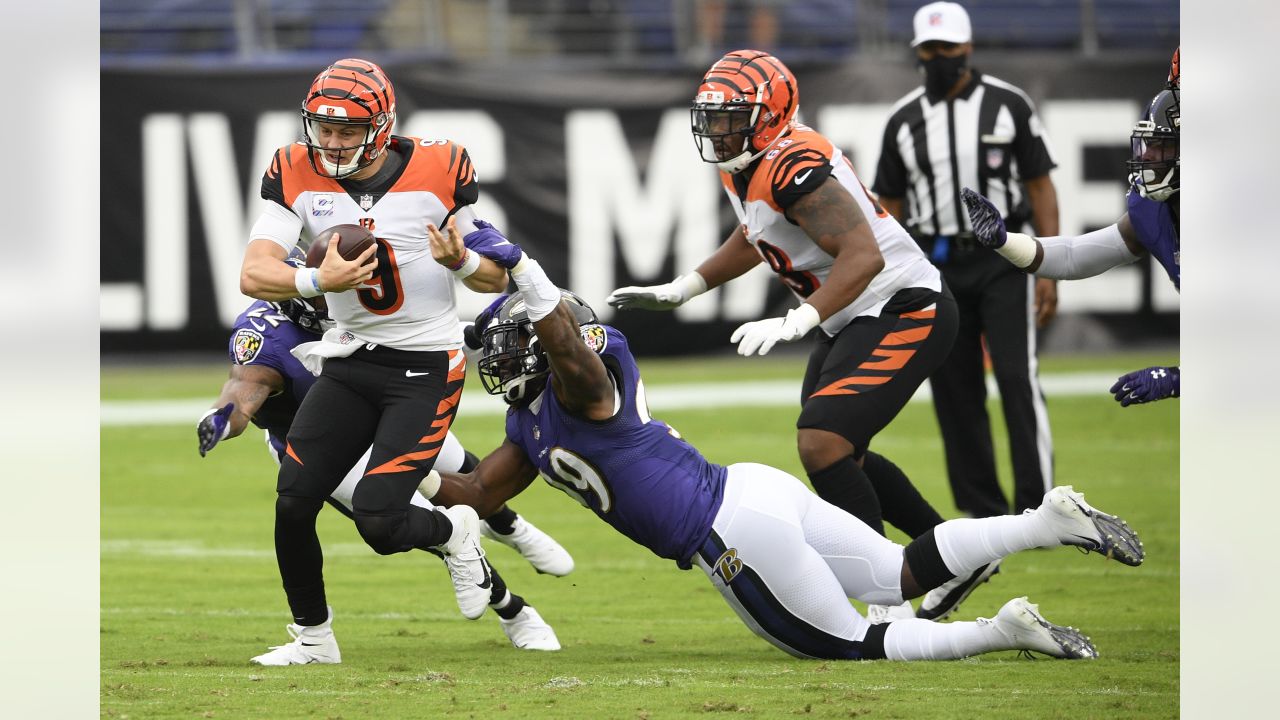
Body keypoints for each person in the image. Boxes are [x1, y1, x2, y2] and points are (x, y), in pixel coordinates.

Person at [424, 243, 1145, 661]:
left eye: (509, 344)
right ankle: (1045, 523)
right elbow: (476, 497)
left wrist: (526, 277)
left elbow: (563, 346)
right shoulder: (529, 425)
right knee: (895, 575)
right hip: (752, 490)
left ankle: (1002, 630)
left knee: (852, 647)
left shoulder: (588, 374)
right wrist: (392, 452)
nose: (499, 361)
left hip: (727, 534)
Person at [607, 49, 970, 623]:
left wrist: (798, 318)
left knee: (821, 442)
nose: (717, 131)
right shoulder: (750, 162)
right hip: (853, 314)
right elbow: (759, 231)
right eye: (713, 117)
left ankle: (886, 597)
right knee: (837, 450)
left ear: (770, 114)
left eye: (731, 117)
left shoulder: (795, 162)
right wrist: (688, 285)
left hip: (904, 306)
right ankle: (950, 552)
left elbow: (863, 255)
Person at [236, 58, 516, 663]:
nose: (331, 143)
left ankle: (456, 531)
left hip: (422, 366)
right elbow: (253, 273)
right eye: (322, 129)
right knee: (293, 500)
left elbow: (495, 276)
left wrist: (461, 263)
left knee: (379, 522)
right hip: (347, 361)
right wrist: (316, 278)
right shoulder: (294, 170)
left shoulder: (439, 168)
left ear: (383, 125)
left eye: (346, 131)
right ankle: (314, 641)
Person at [197, 268, 569, 661]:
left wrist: (480, 329)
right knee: (414, 524)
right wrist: (220, 420)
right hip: (329, 447)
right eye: (329, 292)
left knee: (464, 471)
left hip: (390, 409)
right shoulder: (265, 337)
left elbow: (417, 335)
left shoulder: (366, 299)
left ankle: (512, 529)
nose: (341, 299)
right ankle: (515, 611)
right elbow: (240, 395)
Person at [871, 2, 1060, 546]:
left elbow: (1040, 185)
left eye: (947, 49)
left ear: (967, 48)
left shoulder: (1009, 106)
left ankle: (1039, 508)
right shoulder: (903, 120)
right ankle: (983, 513)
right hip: (936, 263)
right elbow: (889, 204)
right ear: (917, 53)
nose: (938, 59)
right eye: (928, 50)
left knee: (1017, 378)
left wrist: (1046, 266)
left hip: (1006, 258)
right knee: (954, 389)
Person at [961, 48, 1181, 408]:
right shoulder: (1155, 210)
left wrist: (1176, 379)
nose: (1148, 159)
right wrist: (1005, 242)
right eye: (1150, 146)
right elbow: (1077, 257)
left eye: (1161, 148)